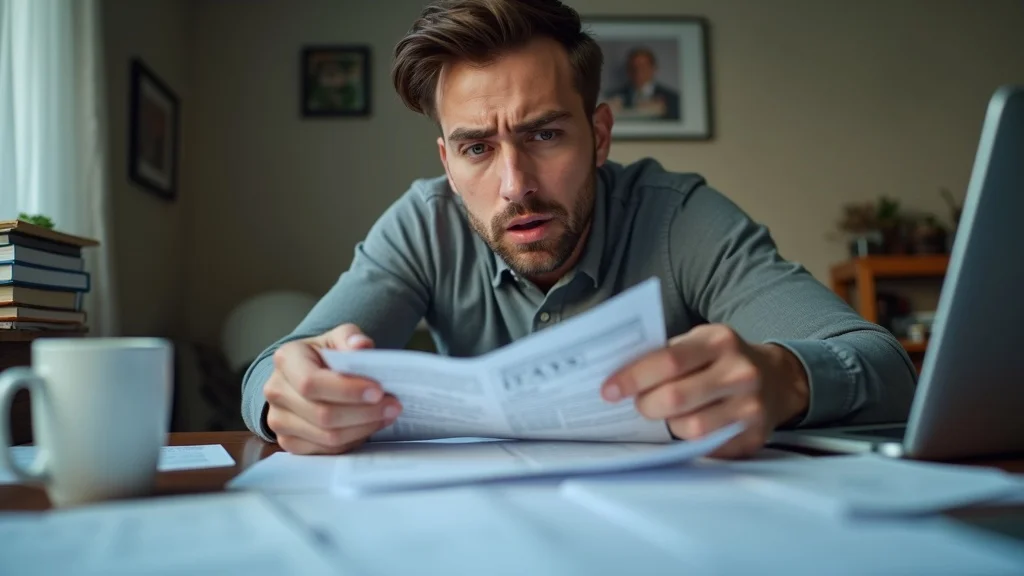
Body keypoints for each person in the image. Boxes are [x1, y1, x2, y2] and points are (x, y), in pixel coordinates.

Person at [241, 0, 916, 458]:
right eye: (477, 148)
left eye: (545, 133)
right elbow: (279, 368)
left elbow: (886, 366)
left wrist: (785, 378)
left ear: (598, 135)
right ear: (448, 162)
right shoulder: (423, 225)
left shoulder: (680, 216)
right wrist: (284, 398)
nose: (516, 186)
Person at [603, 47, 681, 121]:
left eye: (643, 67)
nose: (638, 71)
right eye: (633, 67)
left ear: (654, 69)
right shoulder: (611, 97)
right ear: (627, 70)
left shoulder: (672, 98)